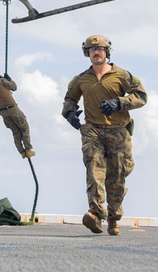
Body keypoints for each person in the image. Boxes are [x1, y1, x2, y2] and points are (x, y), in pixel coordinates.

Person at [61, 34, 146, 236]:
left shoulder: (122, 75)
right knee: (94, 169)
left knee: (117, 177)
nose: (96, 52)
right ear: (87, 54)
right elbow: (69, 100)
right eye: (92, 50)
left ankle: (114, 218)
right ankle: (96, 213)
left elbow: (141, 96)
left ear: (107, 52)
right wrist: (70, 114)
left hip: (118, 131)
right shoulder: (81, 79)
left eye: (100, 49)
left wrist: (119, 103)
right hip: (93, 130)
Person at [0, 73, 34, 159]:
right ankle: (28, 150)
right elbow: (14, 87)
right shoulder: (2, 81)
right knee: (24, 129)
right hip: (13, 110)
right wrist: (9, 80)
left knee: (16, 132)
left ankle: (21, 151)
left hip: (4, 114)